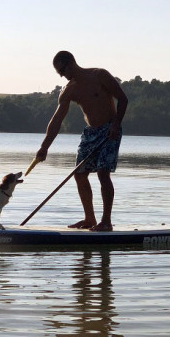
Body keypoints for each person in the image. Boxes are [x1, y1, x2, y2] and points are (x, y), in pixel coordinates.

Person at [35, 51, 128, 232]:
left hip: (110, 129)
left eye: (62, 70)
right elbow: (56, 121)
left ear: (71, 63)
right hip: (90, 133)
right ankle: (89, 218)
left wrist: (116, 124)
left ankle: (106, 221)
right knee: (79, 174)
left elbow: (123, 99)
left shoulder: (99, 75)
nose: (62, 75)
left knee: (103, 173)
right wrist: (44, 147)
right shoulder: (68, 90)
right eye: (58, 73)